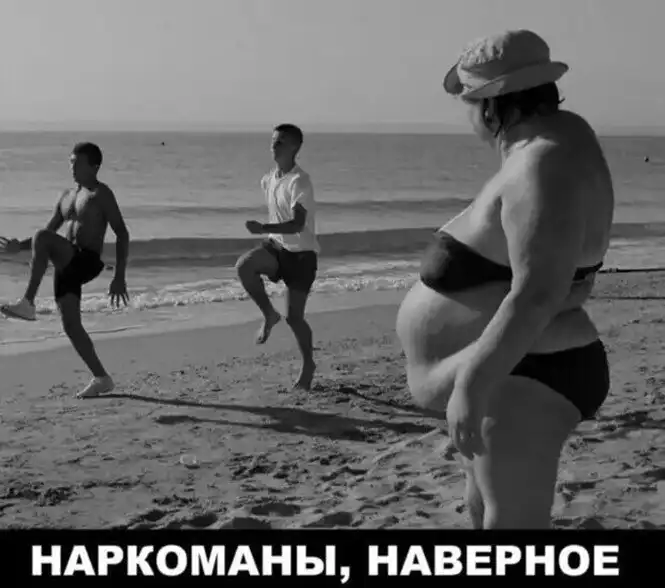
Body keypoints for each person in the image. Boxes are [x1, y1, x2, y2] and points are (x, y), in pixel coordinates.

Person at [395, 30, 614, 528]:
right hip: (514, 368)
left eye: (470, 102)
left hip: (522, 375)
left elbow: (538, 292)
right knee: (485, 511)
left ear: (492, 104)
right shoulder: (556, 139)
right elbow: (561, 269)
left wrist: (473, 385)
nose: (468, 114)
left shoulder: (542, 163)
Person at [0, 142, 130, 398]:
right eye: (71, 162)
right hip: (67, 265)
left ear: (94, 167)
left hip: (86, 260)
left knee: (42, 237)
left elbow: (122, 233)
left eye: (77, 163)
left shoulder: (101, 194)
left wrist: (119, 277)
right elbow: (48, 233)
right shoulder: (67, 196)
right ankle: (102, 378)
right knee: (71, 325)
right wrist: (20, 246)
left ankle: (28, 302)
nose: (72, 168)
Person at [236, 123, 319, 391]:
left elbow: (297, 224)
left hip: (301, 257)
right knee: (245, 266)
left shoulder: (300, 181)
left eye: (280, 141)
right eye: (273, 140)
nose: (274, 145)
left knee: (295, 318)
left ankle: (308, 364)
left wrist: (263, 228)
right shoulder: (268, 179)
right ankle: (269, 315)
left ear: (295, 147)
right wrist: (268, 233)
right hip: (276, 248)